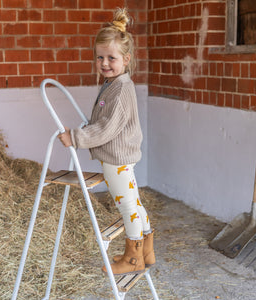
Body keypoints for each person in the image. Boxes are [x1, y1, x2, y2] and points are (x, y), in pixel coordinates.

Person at [58, 7, 155, 276]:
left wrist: (76, 137)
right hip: (118, 156)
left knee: (127, 205)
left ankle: (133, 258)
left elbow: (107, 128)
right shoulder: (113, 84)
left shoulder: (122, 88)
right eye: (99, 57)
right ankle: (146, 249)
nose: (104, 63)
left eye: (111, 58)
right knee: (133, 201)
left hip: (117, 158)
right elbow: (104, 122)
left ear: (126, 59)